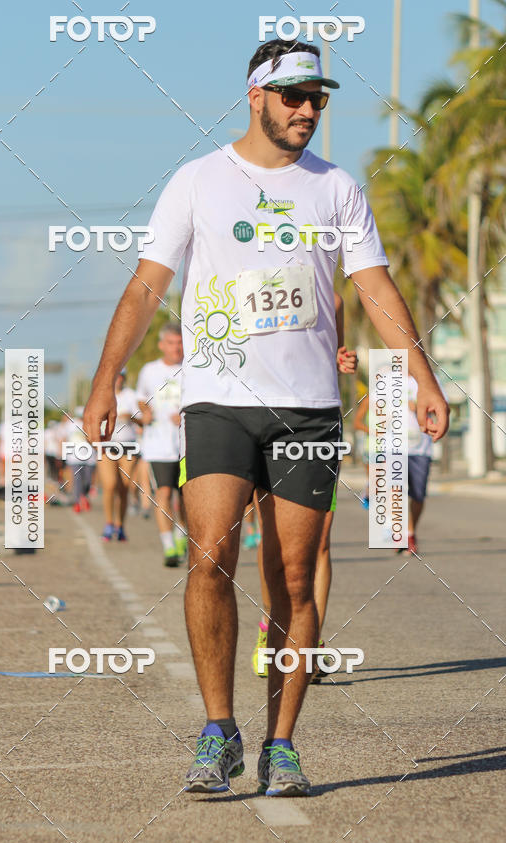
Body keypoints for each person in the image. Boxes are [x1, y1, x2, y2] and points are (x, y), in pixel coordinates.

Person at [83, 39, 449, 797]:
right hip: (218, 399)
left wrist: (421, 374)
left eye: (318, 99)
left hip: (309, 411)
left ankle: (282, 742)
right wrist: (105, 380)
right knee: (211, 555)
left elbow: (375, 288)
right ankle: (218, 731)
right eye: (294, 97)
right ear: (256, 96)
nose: (309, 111)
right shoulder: (199, 182)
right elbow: (147, 286)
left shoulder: (337, 188)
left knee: (292, 575)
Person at [251, 293, 358, 681]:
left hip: (317, 419)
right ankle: (273, 625)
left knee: (321, 537)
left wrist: (344, 359)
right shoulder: (250, 278)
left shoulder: (334, 299)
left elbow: (333, 353)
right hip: (261, 415)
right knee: (274, 533)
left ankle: (309, 644)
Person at [135, 323, 188, 566]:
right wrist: (145, 412)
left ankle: (181, 535)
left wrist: (187, 414)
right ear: (161, 345)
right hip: (159, 445)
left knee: (188, 499)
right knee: (164, 494)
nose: (176, 348)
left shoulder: (192, 368)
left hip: (189, 444)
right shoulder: (149, 371)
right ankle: (168, 547)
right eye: (171, 343)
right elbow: (141, 400)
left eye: (179, 343)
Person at [401, 375, 446, 555]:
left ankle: (410, 533)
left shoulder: (430, 379)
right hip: (392, 447)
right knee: (394, 490)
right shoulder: (387, 378)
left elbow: (441, 409)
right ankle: (401, 532)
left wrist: (421, 410)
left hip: (421, 449)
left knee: (418, 496)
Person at [98, 371, 141, 541]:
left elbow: (143, 419)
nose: (118, 379)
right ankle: (108, 524)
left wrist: (130, 417)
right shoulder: (102, 395)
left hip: (128, 445)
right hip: (107, 444)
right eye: (115, 376)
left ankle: (120, 525)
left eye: (121, 376)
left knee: (124, 487)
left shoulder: (132, 395)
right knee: (109, 485)